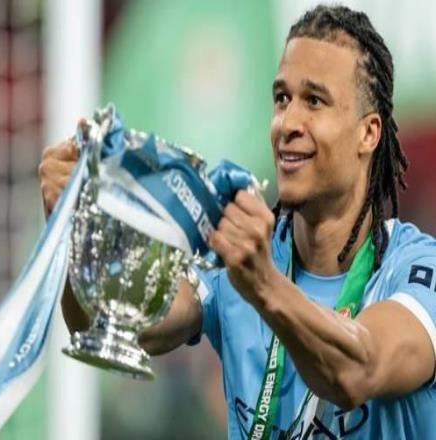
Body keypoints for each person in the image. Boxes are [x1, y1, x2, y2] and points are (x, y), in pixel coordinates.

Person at [38, 5, 436, 439]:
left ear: (368, 133)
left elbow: (357, 371)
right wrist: (77, 230)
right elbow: (107, 326)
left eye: (314, 101)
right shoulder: (238, 262)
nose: (288, 122)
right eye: (282, 98)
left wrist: (263, 285)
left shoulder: (416, 270)